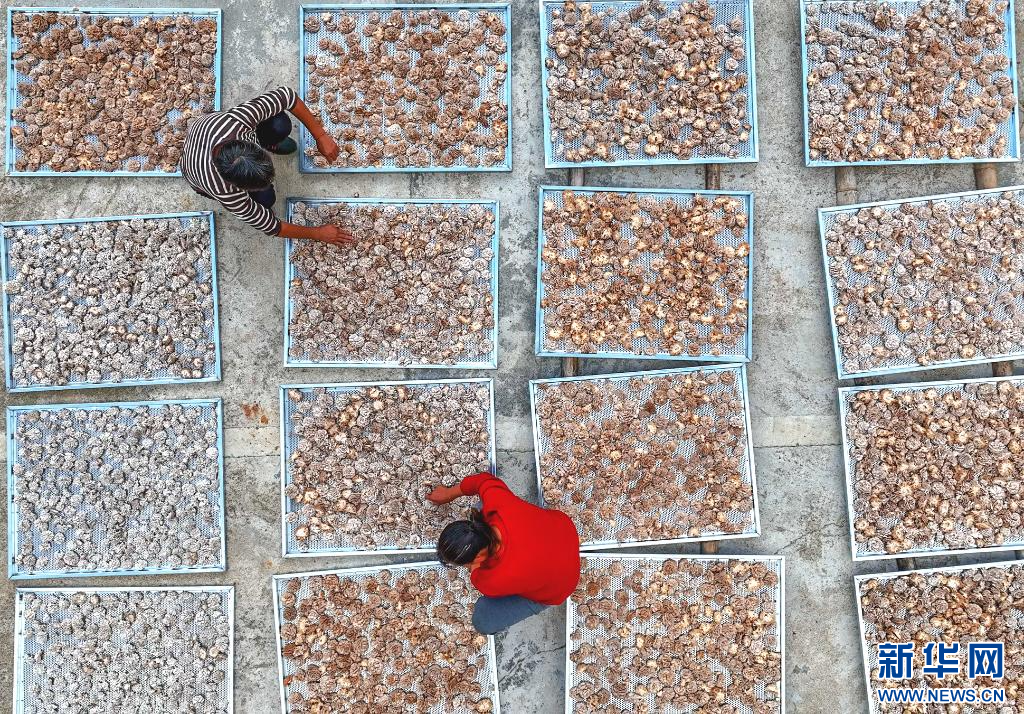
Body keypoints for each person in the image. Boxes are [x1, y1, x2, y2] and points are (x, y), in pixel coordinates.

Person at [180, 86, 352, 245]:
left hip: (209, 130)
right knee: (266, 199)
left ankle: (270, 142)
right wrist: (317, 234)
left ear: (252, 147)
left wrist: (320, 135)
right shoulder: (224, 191)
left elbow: (287, 96)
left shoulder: (238, 122)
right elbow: (271, 226)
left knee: (280, 123)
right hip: (194, 170)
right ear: (237, 186)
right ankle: (262, 190)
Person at [428, 472, 581, 635]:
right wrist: (449, 493)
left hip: (563, 584)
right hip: (563, 529)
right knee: (481, 506)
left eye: (465, 564)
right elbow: (483, 480)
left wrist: (475, 566)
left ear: (478, 557)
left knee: (483, 621)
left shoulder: (492, 580)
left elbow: (477, 576)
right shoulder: (499, 501)